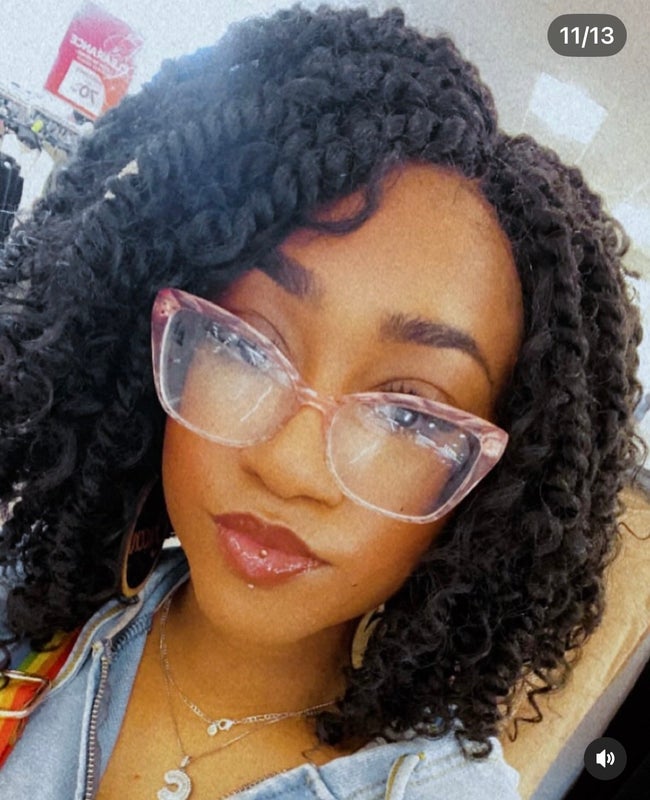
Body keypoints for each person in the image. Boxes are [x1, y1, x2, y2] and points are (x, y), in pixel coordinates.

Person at [0, 6, 643, 799]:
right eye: (247, 346)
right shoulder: (27, 609)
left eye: (408, 415)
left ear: (498, 494)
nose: (289, 464)